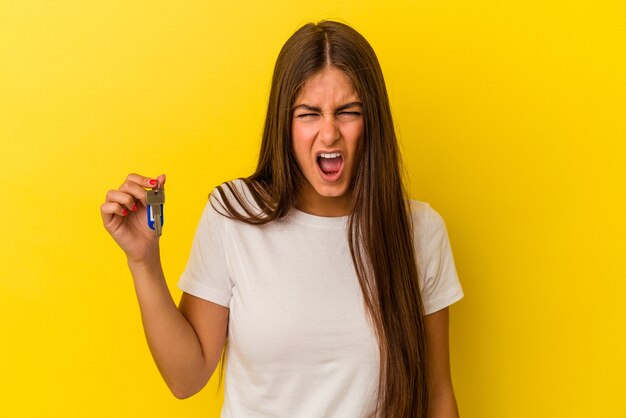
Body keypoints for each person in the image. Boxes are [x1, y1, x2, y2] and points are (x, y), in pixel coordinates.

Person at [101, 20, 463, 418]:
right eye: (308, 114)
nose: (329, 134)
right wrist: (143, 262)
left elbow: (436, 394)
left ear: (371, 121)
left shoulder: (419, 232)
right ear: (284, 123)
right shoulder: (233, 214)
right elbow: (186, 379)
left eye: (347, 112)